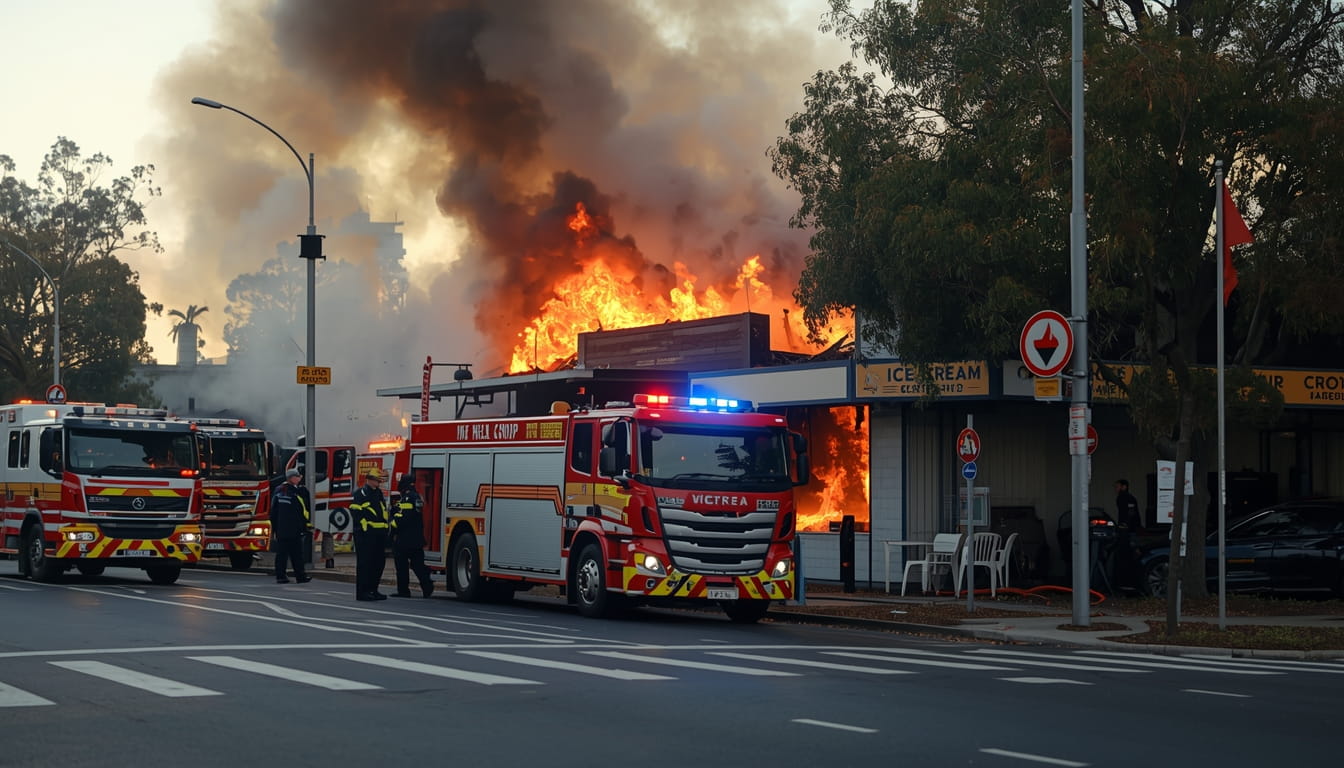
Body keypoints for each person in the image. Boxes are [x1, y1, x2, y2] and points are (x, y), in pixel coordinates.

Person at [390, 473, 435, 598]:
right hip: (416, 538)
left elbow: (403, 517)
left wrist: (392, 523)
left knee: (402, 566)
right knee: (418, 564)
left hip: (404, 539)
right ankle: (427, 585)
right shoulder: (416, 496)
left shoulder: (407, 498)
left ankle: (403, 591)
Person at [350, 467, 390, 601]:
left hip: (379, 534)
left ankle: (373, 589)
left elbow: (382, 512)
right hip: (365, 535)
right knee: (365, 564)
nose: (379, 483)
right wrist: (364, 527)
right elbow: (356, 512)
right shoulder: (361, 493)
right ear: (369, 480)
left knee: (378, 563)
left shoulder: (378, 493)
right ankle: (363, 592)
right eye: (377, 480)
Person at [271, 467, 313, 584]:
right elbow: (301, 511)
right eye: (298, 476)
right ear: (292, 478)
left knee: (289, 553)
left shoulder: (282, 490)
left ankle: (292, 575)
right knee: (291, 554)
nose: (300, 478)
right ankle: (293, 576)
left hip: (286, 528)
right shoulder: (290, 491)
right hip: (290, 528)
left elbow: (274, 510)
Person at [1114, 478, 1143, 591]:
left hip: (1129, 531)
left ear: (1124, 486)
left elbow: (1130, 514)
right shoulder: (1124, 498)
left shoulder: (1126, 498)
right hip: (1128, 529)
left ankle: (1130, 581)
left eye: (1118, 486)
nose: (1116, 489)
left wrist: (1124, 526)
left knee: (1130, 552)